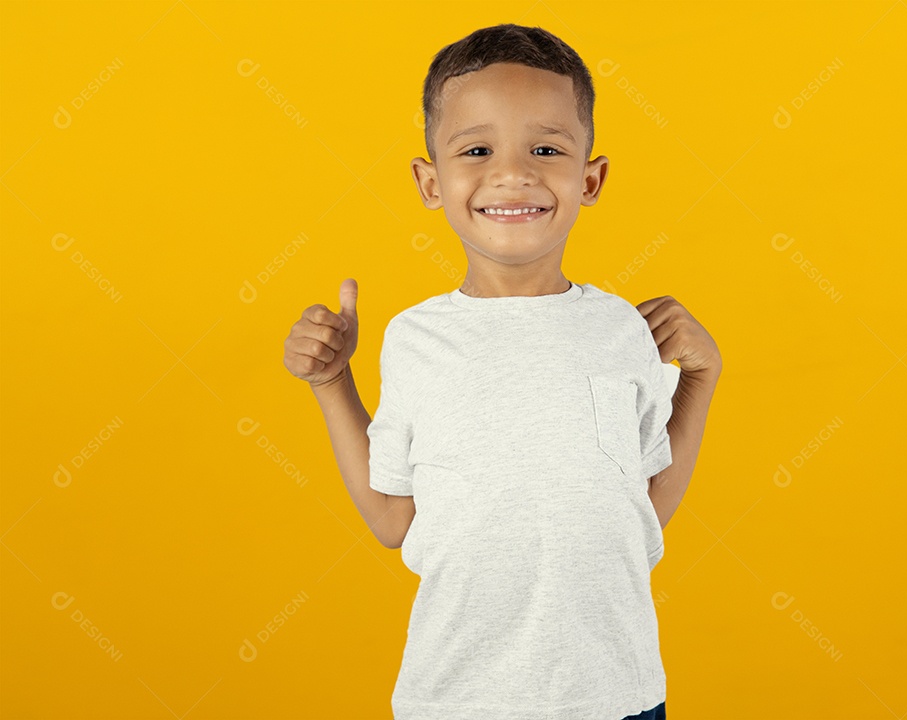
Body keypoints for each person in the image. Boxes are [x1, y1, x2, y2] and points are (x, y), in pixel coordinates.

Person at [283, 23, 721, 720]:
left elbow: (641, 515)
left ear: (590, 177)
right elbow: (394, 519)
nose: (512, 173)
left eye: (546, 149)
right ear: (431, 181)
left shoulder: (620, 333)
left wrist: (698, 381)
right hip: (455, 699)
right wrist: (334, 383)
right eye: (477, 149)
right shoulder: (416, 340)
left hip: (617, 696)